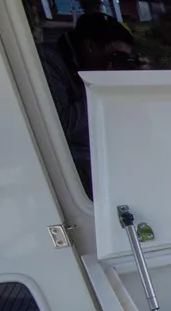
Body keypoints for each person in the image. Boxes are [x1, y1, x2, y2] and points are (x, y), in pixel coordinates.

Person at [38, 13, 142, 199]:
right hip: (69, 163)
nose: (118, 63)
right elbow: (61, 126)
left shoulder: (97, 66)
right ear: (90, 47)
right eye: (116, 56)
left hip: (107, 148)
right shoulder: (48, 63)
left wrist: (141, 85)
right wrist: (106, 87)